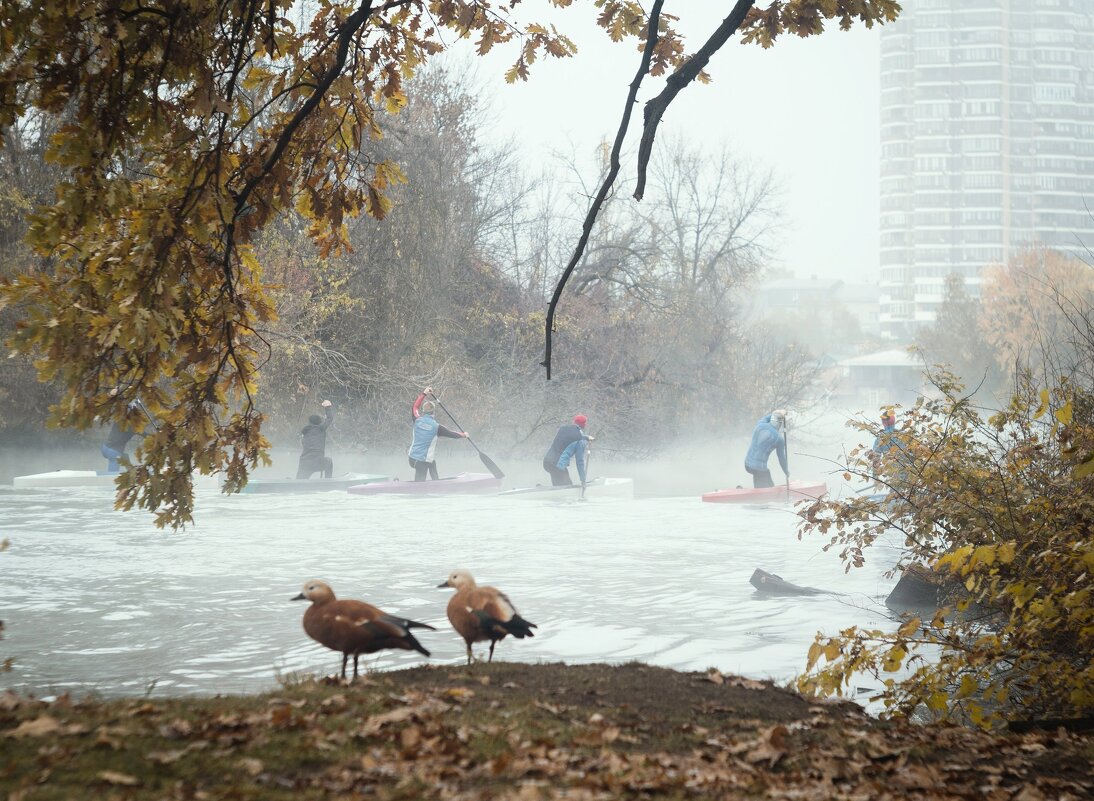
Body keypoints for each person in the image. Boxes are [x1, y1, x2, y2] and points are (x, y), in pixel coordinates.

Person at [408, 387, 467, 481]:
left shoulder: (417, 420)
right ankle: (423, 489)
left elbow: (415, 407)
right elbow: (452, 434)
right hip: (422, 462)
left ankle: (436, 482)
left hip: (411, 459)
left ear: (423, 411)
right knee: (419, 487)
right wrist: (464, 435)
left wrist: (424, 393)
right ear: (433, 412)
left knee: (432, 461)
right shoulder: (437, 427)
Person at [744, 409, 789, 489]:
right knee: (762, 492)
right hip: (759, 469)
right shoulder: (779, 439)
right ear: (780, 423)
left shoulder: (760, 424)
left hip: (747, 464)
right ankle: (759, 496)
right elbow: (781, 458)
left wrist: (778, 412)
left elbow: (768, 417)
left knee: (767, 474)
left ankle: (770, 489)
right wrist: (786, 471)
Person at [543, 414, 591, 486]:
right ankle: (546, 493)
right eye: (585, 423)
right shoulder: (580, 440)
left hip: (547, 462)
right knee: (566, 487)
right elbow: (579, 462)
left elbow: (569, 438)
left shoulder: (563, 429)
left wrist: (585, 437)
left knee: (560, 485)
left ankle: (542, 491)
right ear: (583, 424)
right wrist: (583, 480)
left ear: (574, 422)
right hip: (557, 465)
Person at [100, 400, 146, 473]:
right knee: (112, 474)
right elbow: (146, 435)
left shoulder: (119, 418)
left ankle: (131, 473)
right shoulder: (134, 426)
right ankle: (110, 478)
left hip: (104, 448)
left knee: (125, 457)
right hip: (114, 452)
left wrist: (132, 402)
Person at [297, 400, 334, 479]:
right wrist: (328, 407)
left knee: (299, 483)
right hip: (316, 461)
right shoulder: (321, 428)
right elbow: (330, 418)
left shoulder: (305, 431)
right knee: (329, 462)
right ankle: (328, 482)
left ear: (309, 422)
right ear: (319, 422)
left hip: (304, 462)